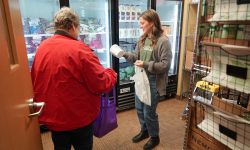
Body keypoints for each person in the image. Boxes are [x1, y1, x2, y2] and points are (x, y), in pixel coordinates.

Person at [31, 7, 117, 150]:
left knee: (60, 146)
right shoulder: (80, 49)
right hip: (78, 117)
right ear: (72, 26)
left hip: (54, 117)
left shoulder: (42, 48)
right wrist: (111, 73)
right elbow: (101, 84)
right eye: (78, 28)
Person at [122, 9, 172, 150]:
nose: (140, 25)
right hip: (140, 79)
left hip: (154, 81)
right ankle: (145, 131)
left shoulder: (163, 41)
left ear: (152, 23)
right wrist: (124, 54)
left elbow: (165, 65)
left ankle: (154, 137)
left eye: (142, 23)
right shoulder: (143, 39)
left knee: (148, 112)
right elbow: (135, 57)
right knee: (139, 108)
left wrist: (145, 64)